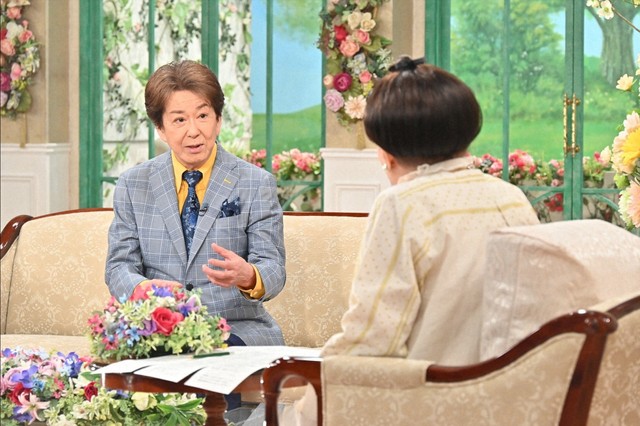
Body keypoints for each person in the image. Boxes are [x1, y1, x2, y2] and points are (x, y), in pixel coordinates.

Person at [266, 56, 540, 425]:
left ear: (387, 154)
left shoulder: (403, 204)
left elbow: (374, 337)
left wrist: (306, 384)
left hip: (431, 402)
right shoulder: (511, 197)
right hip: (511, 400)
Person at [105, 60, 286, 414]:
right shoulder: (133, 184)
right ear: (160, 127)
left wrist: (249, 275)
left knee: (208, 364)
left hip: (235, 328)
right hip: (158, 326)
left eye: (203, 116)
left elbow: (274, 268)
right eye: (179, 120)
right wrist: (145, 290)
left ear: (218, 120)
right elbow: (118, 267)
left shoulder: (255, 183)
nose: (194, 131)